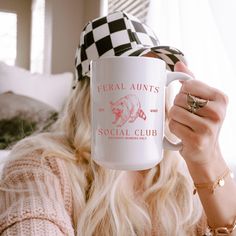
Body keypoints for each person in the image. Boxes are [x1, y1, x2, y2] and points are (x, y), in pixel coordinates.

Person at [0, 11, 236, 236]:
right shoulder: (40, 164)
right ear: (89, 92)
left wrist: (209, 162)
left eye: (148, 78)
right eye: (127, 78)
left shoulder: (184, 174)